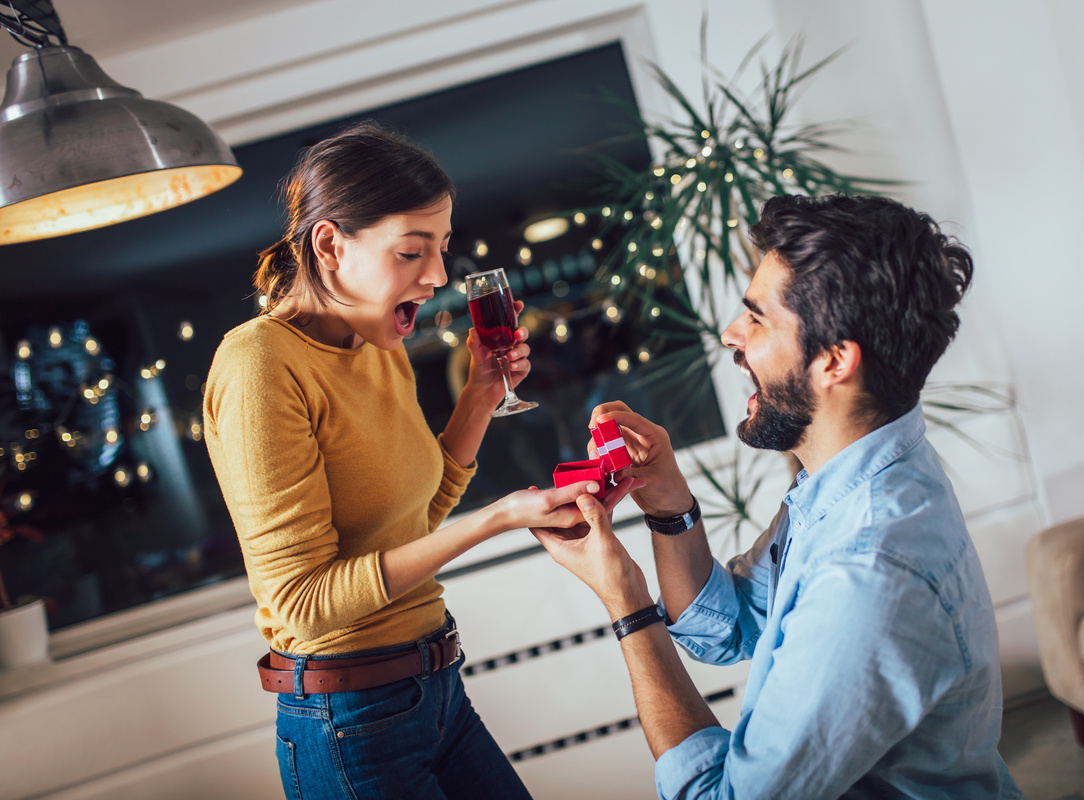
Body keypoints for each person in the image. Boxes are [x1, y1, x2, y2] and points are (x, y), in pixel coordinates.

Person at [533, 193, 1026, 799]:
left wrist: (626, 603)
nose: (729, 335)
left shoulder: (869, 568)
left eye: (757, 319)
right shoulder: (851, 477)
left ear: (835, 361)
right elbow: (729, 626)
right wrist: (667, 503)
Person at [203, 120, 633, 800]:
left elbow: (414, 519)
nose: (437, 276)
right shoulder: (259, 366)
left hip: (435, 695)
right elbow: (305, 604)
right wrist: (498, 519)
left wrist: (480, 398)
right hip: (348, 722)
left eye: (441, 249)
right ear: (330, 244)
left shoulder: (379, 345)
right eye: (411, 252)